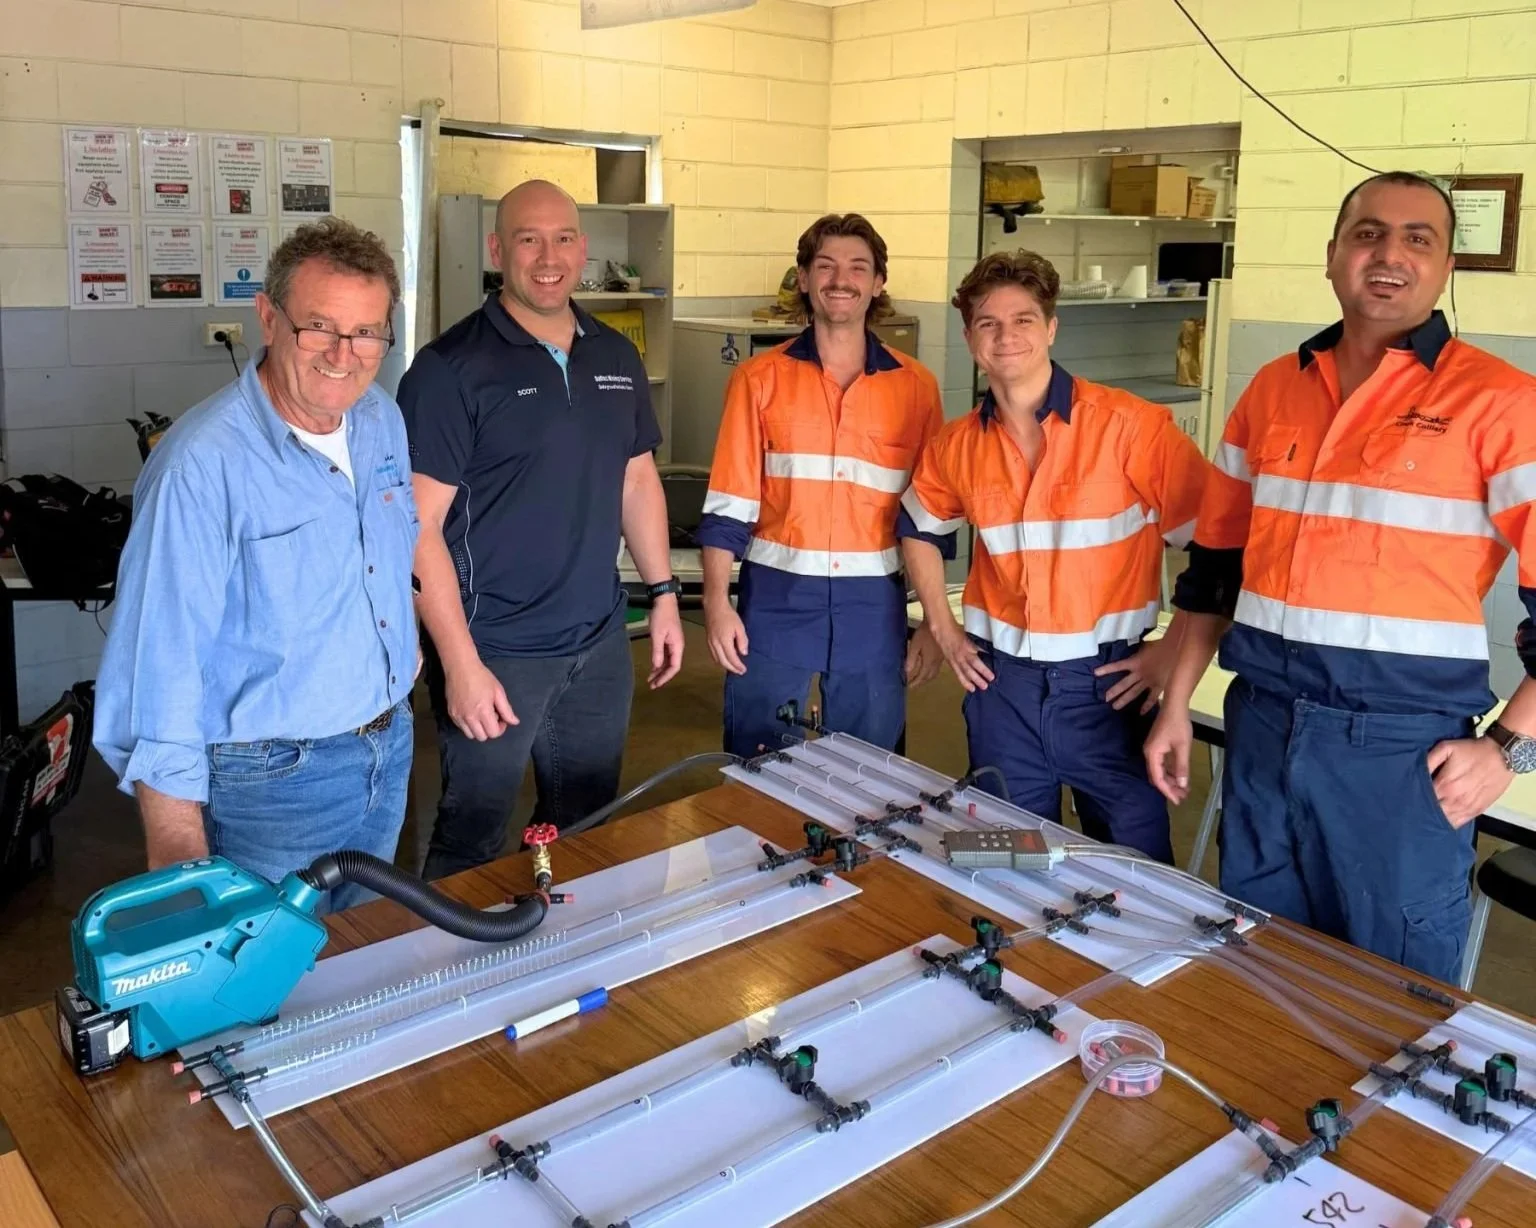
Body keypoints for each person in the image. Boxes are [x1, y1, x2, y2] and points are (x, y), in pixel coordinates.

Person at [1145, 172, 1536, 982]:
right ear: (1332, 256)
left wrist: (1509, 748)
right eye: (1367, 234)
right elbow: (1212, 575)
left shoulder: (1501, 404)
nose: (1389, 255)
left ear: (1446, 266)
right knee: (1262, 967)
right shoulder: (1272, 391)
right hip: (1261, 730)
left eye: (1418, 238)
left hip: (1398, 752)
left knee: (1390, 996)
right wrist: (1175, 705)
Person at [94, 218, 418, 911]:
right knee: (267, 989)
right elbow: (160, 663)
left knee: (361, 960)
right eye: (319, 327)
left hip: (386, 749)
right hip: (273, 779)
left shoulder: (381, 420)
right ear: (268, 318)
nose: (344, 355)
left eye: (367, 332)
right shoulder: (201, 465)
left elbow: (392, 560)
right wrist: (176, 839)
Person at [400, 180, 683, 879]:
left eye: (563, 238)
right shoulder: (449, 370)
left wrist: (666, 593)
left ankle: (559, 959)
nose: (548, 256)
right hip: (497, 647)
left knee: (586, 825)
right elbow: (413, 528)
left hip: (597, 641)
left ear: (584, 249)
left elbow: (637, 479)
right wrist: (460, 665)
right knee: (473, 834)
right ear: (498, 250)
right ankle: (448, 976)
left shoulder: (615, 358)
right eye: (528, 238)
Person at [899, 251, 1208, 862]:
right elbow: (918, 528)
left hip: (1111, 689)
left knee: (1134, 870)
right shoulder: (958, 445)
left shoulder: (1132, 428)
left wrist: (1170, 654)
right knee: (1013, 863)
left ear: (1052, 329)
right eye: (988, 323)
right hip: (1000, 687)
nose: (1006, 337)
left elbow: (1213, 552)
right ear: (968, 339)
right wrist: (942, 627)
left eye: (1023, 320)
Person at [697, 214, 944, 759]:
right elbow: (729, 504)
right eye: (825, 265)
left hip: (873, 608)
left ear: (878, 283)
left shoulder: (917, 387)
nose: (841, 279)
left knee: (870, 769)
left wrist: (932, 624)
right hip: (775, 600)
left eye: (858, 267)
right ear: (804, 277)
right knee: (758, 759)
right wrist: (717, 600)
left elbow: (929, 521)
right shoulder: (758, 380)